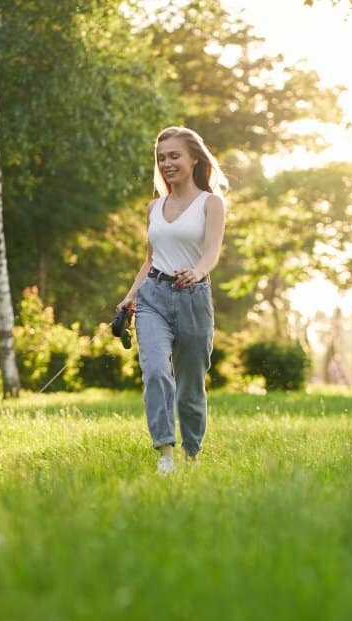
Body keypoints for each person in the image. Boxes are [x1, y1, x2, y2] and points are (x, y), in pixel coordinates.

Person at [117, 126, 228, 474]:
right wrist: (130, 297)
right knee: (155, 372)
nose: (167, 163)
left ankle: (192, 455)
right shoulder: (154, 207)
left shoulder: (211, 204)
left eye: (174, 156)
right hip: (154, 297)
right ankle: (165, 453)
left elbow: (211, 253)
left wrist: (196, 271)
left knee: (191, 385)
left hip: (193, 298)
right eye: (161, 157)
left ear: (194, 158)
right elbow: (150, 259)